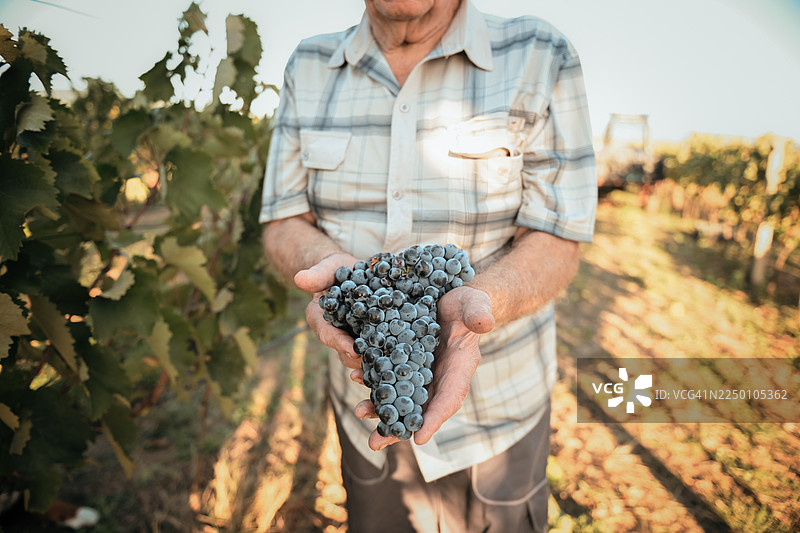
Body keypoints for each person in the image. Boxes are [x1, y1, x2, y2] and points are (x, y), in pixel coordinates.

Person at [260, 0, 597, 531]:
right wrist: (327, 267)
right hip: (367, 404)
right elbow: (283, 220)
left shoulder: (539, 53)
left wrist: (486, 299)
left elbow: (558, 235)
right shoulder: (308, 65)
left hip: (500, 421)